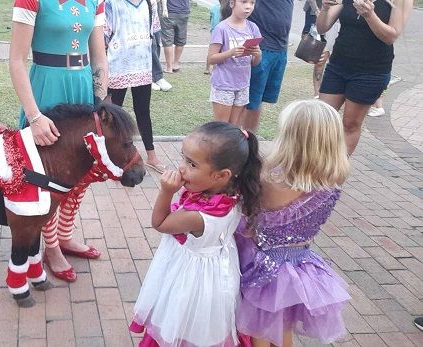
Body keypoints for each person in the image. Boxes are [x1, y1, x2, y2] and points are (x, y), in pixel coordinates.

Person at [129, 121, 262, 346]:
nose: (182, 168)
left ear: (221, 175)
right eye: (183, 158)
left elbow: (159, 222)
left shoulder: (198, 216)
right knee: (206, 326)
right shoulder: (233, 192)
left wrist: (166, 191)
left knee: (182, 319)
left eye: (191, 164)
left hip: (191, 277)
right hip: (218, 272)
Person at [236, 100, 351, 346]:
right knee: (282, 328)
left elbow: (245, 208)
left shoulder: (268, 180)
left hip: (262, 265)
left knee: (261, 332)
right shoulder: (333, 180)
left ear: (289, 137)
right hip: (299, 265)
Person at [9, 0, 109, 282]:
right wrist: (35, 116)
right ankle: (51, 245)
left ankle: (65, 235)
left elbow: (99, 58)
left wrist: (99, 103)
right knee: (50, 174)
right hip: (47, 88)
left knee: (80, 170)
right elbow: (16, 60)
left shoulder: (95, 1)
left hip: (82, 90)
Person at [317, 0, 413, 154]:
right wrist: (324, 8)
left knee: (350, 124)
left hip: (371, 71)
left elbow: (390, 36)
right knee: (321, 119)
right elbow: (322, 27)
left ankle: (337, 172)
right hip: (338, 65)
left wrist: (369, 15)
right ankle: (318, 164)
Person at [105, 0, 165, 173]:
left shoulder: (149, 3)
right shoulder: (111, 3)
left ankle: (151, 156)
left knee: (143, 111)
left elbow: (153, 35)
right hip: (117, 66)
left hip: (142, 66)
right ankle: (112, 156)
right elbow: (104, 38)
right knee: (113, 113)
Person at [237, 0, 295, 133]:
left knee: (258, 99)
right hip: (260, 47)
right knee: (246, 99)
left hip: (280, 48)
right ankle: (236, 142)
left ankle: (249, 141)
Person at [207, 0, 262, 124]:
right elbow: (211, 58)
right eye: (244, 2)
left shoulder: (253, 28)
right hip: (224, 85)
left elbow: (254, 62)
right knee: (222, 128)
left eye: (252, 3)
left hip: (243, 85)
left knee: (235, 128)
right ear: (232, 3)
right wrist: (231, 53)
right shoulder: (221, 28)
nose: (248, 7)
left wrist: (258, 54)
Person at [160, 0, 191, 74]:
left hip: (169, 11)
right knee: (181, 38)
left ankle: (169, 67)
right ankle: (176, 64)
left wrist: (164, 8)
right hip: (184, 11)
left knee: (167, 40)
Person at [151, 0, 173, 91]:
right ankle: (156, 77)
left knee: (156, 47)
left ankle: (154, 77)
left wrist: (164, 8)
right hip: (144, 17)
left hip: (154, 16)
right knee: (151, 48)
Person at [204, 0, 224, 75]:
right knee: (219, 50)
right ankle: (214, 69)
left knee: (211, 50)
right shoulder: (227, 9)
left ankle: (207, 68)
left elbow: (211, 19)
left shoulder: (214, 7)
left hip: (213, 30)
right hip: (222, 30)